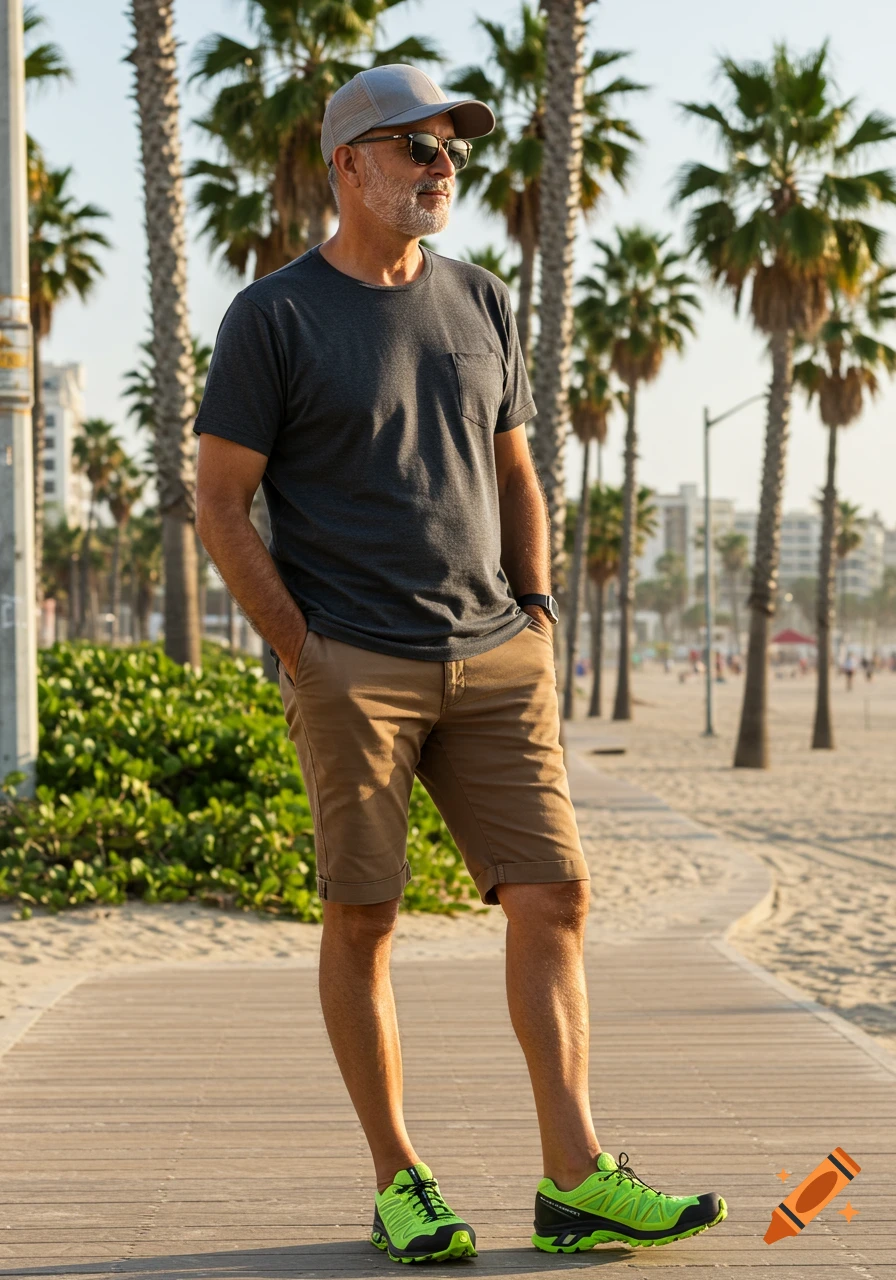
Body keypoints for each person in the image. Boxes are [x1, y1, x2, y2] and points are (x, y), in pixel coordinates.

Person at [194, 63, 727, 1265]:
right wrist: (303, 652)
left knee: (555, 896)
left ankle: (575, 1179)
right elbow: (220, 503)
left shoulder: (481, 299)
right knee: (364, 913)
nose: (444, 166)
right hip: (353, 664)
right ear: (348, 166)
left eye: (450, 147)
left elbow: (516, 469)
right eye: (416, 147)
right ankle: (400, 1178)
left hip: (495, 653)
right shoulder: (270, 317)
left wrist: (536, 612)